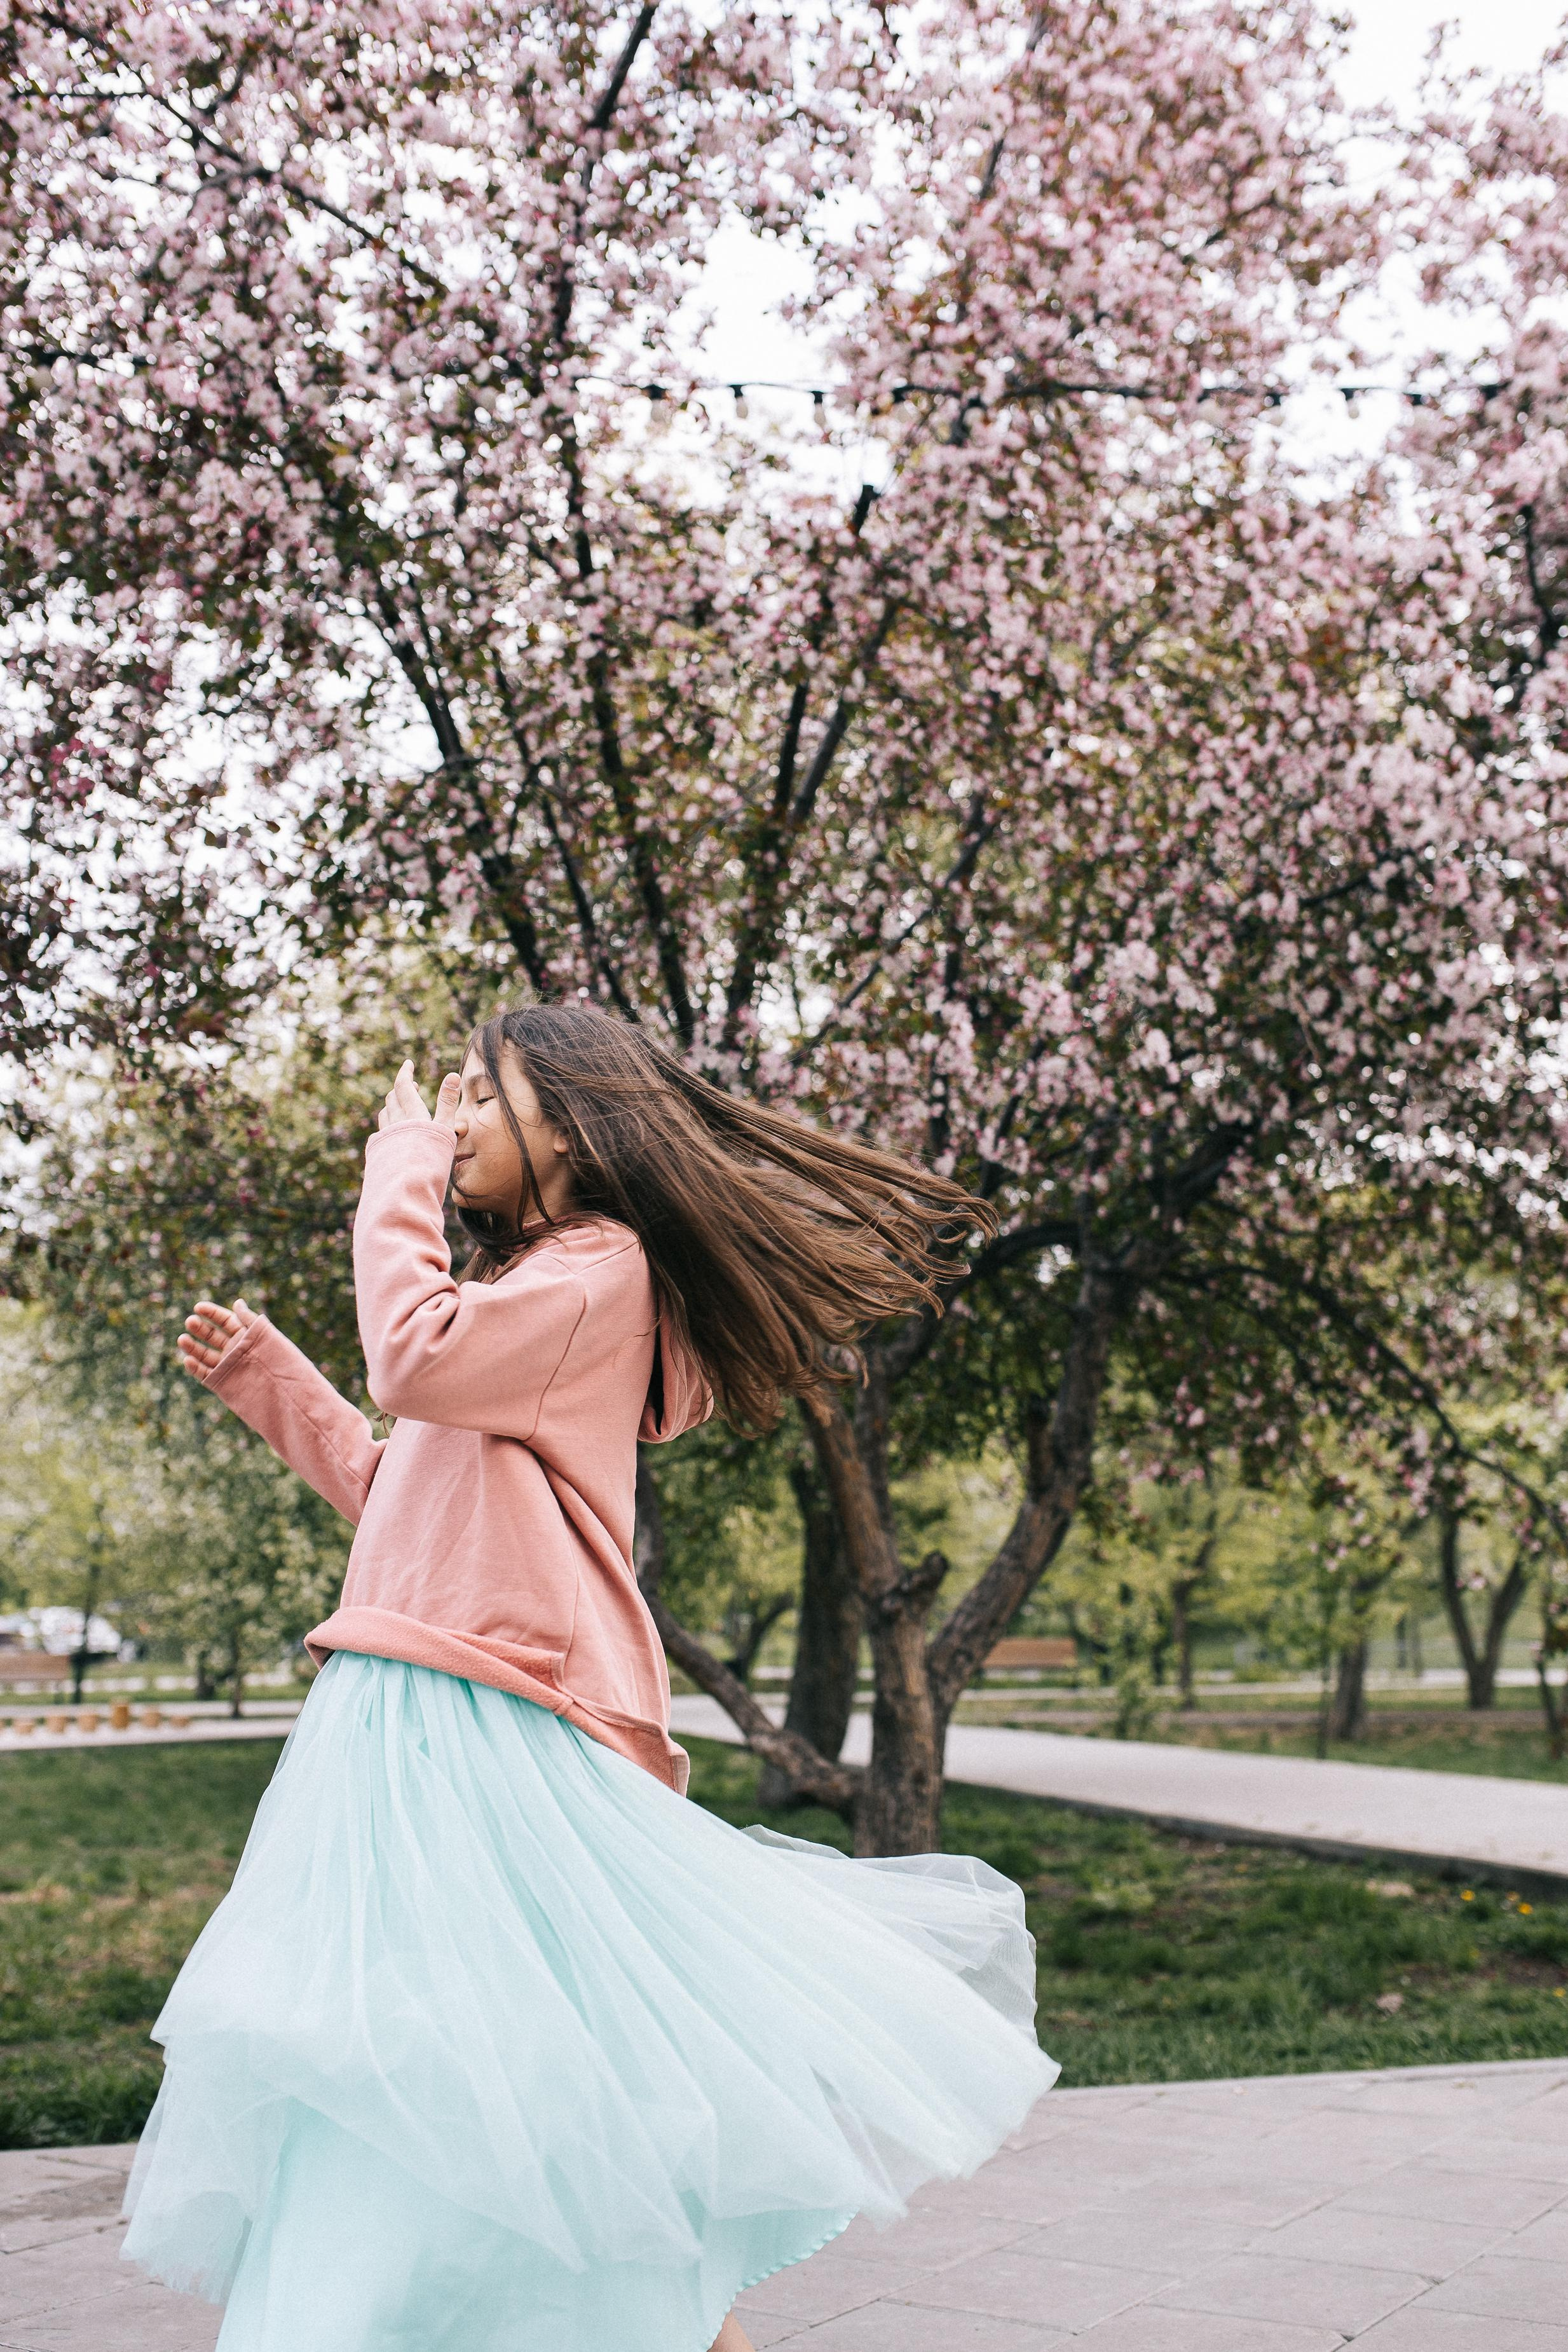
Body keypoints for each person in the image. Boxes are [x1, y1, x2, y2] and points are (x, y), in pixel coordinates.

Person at [121, 1001, 1059, 2352]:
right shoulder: (535, 1295)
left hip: (487, 1717)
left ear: (574, 1123)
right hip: (422, 1705)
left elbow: (415, 1355)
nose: (457, 1119)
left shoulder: (600, 1267)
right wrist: (278, 1385)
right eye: (452, 1104)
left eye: (485, 1098)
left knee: (500, 2073)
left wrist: (397, 1166)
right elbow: (412, 1492)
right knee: (474, 2078)